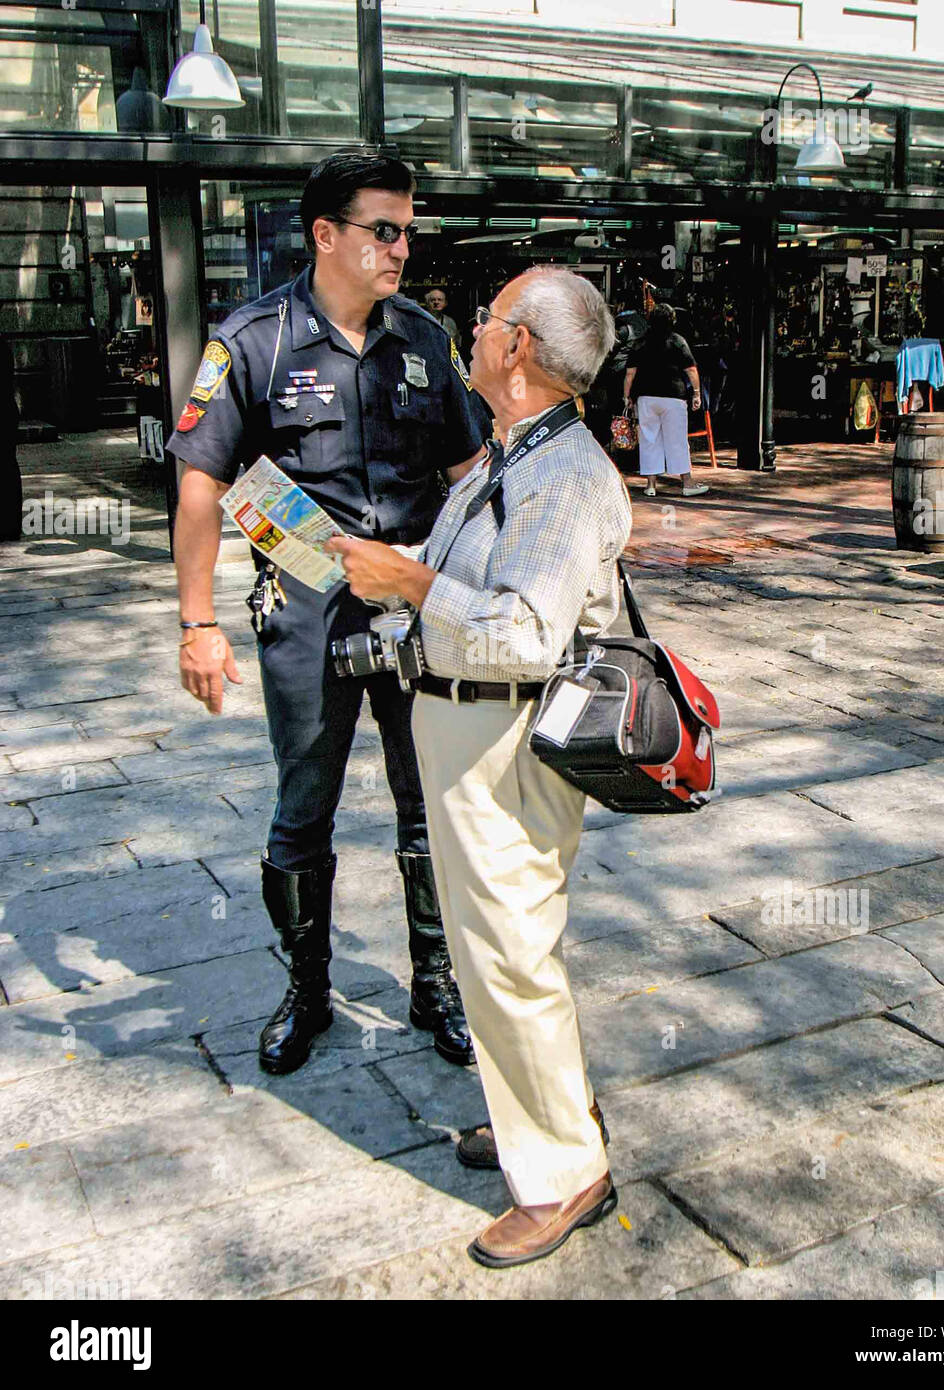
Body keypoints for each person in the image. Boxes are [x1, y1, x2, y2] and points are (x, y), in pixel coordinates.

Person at [326, 266, 631, 1268]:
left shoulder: (566, 472)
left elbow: (526, 634)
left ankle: (563, 1176)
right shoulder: (517, 454)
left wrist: (409, 579)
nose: (469, 329)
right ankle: (537, 1121)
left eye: (487, 318)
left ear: (517, 351)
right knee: (491, 955)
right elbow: (478, 581)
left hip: (504, 743)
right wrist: (394, 564)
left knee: (508, 955)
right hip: (467, 736)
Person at [166, 154, 490, 1076]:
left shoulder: (426, 339)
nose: (401, 247)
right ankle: (306, 990)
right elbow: (199, 486)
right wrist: (198, 624)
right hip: (308, 613)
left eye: (407, 229)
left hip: (415, 605)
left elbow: (469, 479)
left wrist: (478, 595)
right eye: (383, 229)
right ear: (326, 235)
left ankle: (438, 984)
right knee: (305, 805)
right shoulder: (254, 341)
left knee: (428, 803)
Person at [623, 303, 708, 498]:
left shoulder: (641, 342)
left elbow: (630, 374)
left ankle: (651, 485)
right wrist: (696, 393)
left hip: (646, 397)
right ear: (672, 320)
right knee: (677, 439)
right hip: (673, 396)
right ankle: (686, 482)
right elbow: (691, 370)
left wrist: (627, 396)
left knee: (649, 439)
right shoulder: (677, 341)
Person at [0, 336, 22, 542]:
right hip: (6, 410)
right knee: (8, 466)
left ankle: (9, 524)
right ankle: (10, 524)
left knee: (6, 467)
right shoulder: (4, 345)